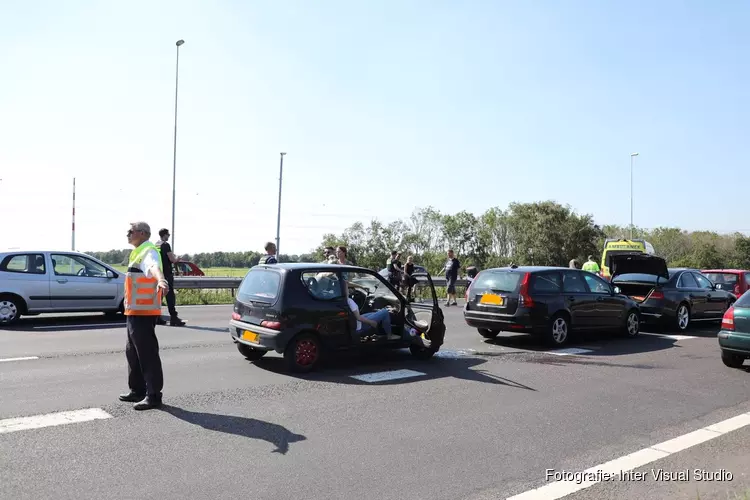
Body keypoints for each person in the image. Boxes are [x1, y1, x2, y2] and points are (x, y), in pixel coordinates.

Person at [119, 222, 169, 411]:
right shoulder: (138, 251)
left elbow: (154, 267)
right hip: (133, 311)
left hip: (144, 312)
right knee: (132, 352)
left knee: (147, 354)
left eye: (130, 231)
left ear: (142, 233)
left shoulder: (149, 251)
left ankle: (154, 395)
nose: (127, 234)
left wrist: (161, 280)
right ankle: (137, 390)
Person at [155, 228, 185, 327]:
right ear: (164, 235)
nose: (169, 236)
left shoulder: (157, 244)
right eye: (168, 234)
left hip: (158, 273)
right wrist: (178, 259)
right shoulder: (165, 245)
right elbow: (172, 259)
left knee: (159, 295)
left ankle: (157, 317)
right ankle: (174, 317)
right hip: (167, 273)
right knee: (170, 295)